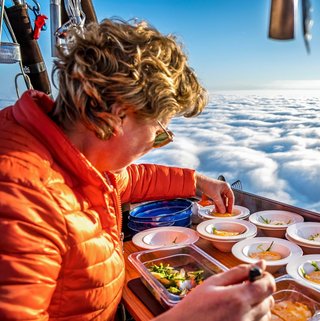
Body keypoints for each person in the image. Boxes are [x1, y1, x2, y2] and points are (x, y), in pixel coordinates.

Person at [0, 19, 275, 321]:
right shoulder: (22, 201)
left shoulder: (72, 152)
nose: (160, 143)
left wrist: (197, 183)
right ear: (118, 116)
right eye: (159, 132)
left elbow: (128, 179)